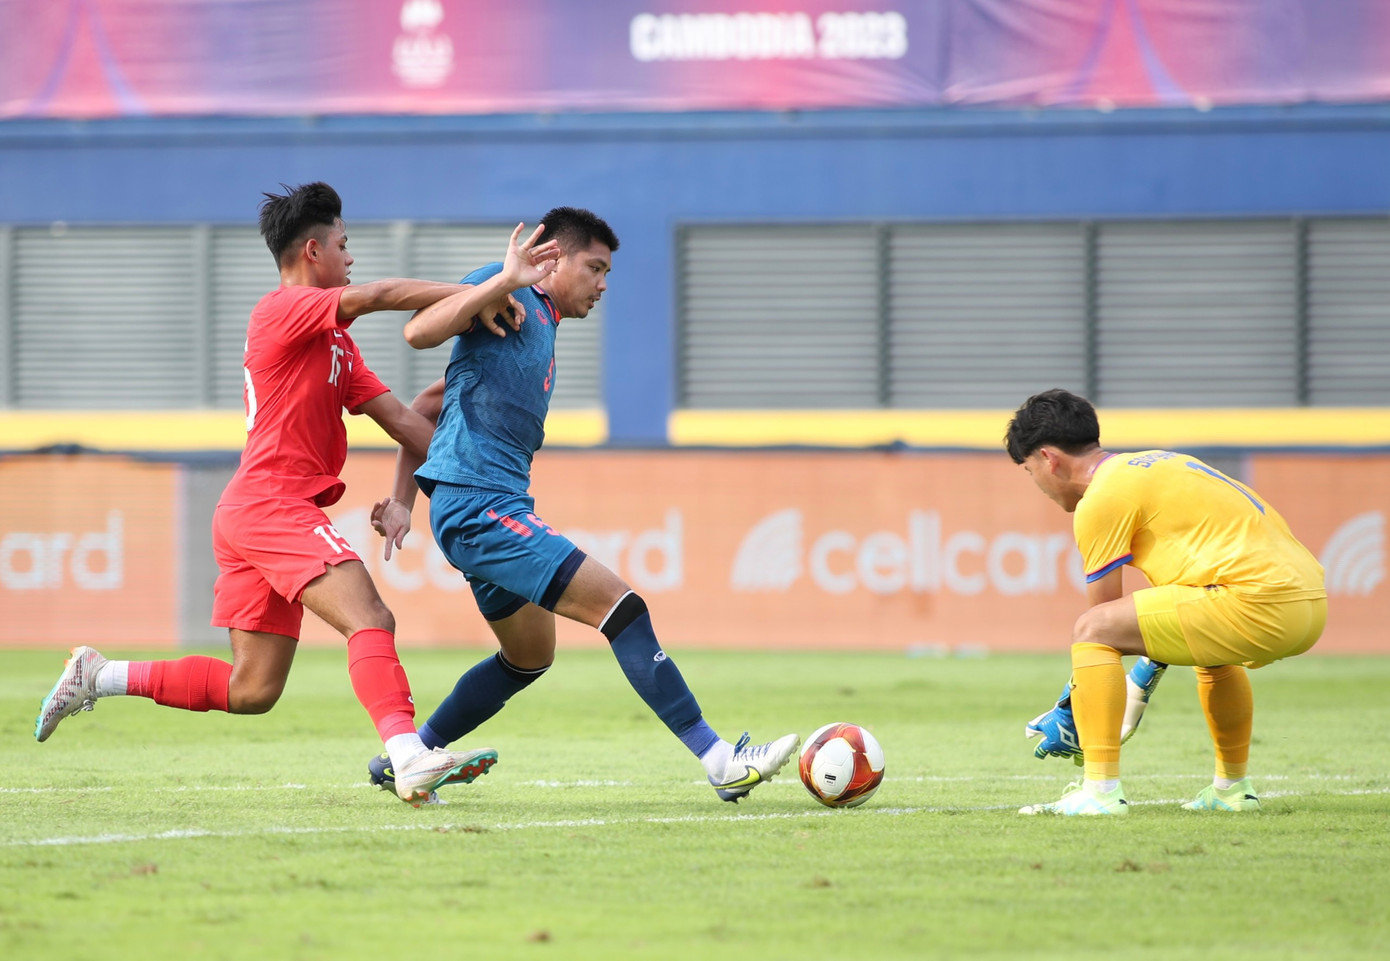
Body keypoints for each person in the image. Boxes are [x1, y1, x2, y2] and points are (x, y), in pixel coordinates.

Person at [34, 182, 559, 808]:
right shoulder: (280, 310)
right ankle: (410, 758)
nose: (351, 257)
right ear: (313, 251)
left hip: (255, 509)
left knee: (251, 689)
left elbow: (405, 423)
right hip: (270, 503)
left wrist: (469, 476)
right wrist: (488, 288)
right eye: (343, 244)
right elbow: (383, 296)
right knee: (370, 617)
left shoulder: (334, 343)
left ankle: (99, 675)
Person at [364, 206, 800, 803]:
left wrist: (401, 502)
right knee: (622, 609)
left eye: (607, 273)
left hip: (482, 508)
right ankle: (720, 759)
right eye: (594, 268)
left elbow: (431, 401)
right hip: (479, 507)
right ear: (551, 259)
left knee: (527, 659)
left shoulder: (540, 323)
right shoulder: (510, 289)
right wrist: (501, 282)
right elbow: (417, 332)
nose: (602, 285)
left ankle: (405, 758)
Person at [1004, 388, 1327, 815]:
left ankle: (1099, 793)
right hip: (1310, 603)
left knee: (1091, 629)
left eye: (1029, 472)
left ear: (1049, 458)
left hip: (1254, 601)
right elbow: (1156, 629)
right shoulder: (1162, 461)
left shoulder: (1101, 498)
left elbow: (1105, 625)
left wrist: (1071, 709)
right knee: (1211, 653)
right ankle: (1232, 790)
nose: (1038, 485)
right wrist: (1135, 690)